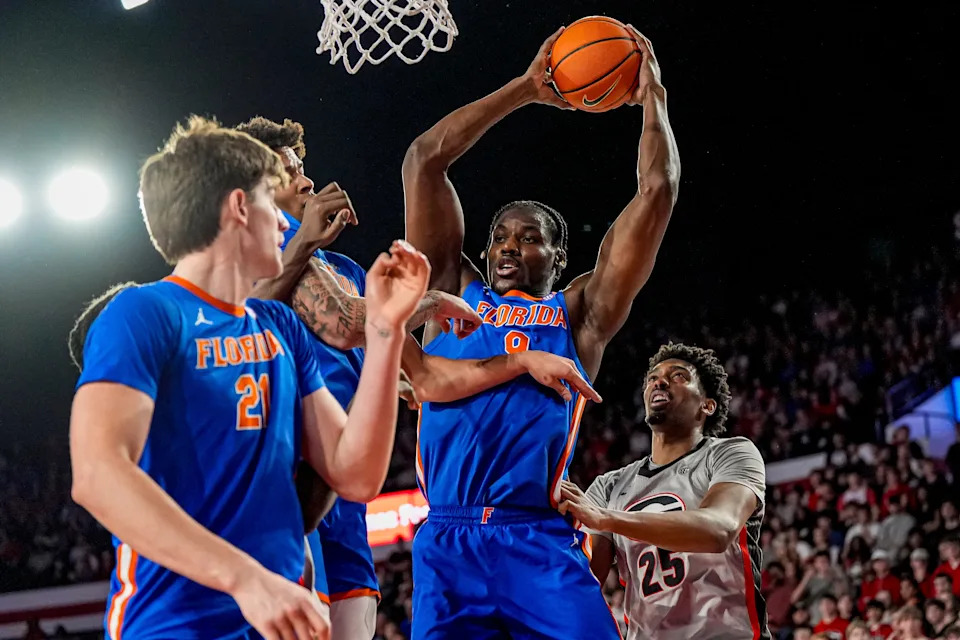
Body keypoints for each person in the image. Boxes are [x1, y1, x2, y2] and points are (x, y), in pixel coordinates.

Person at [235, 115, 600, 639]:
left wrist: (394, 380)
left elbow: (419, 374)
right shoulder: (258, 252)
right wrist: (428, 302)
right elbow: (346, 324)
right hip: (285, 474)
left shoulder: (340, 266)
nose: (309, 181)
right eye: (292, 170)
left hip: (340, 492)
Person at [69, 116, 432, 640]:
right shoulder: (144, 312)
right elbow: (97, 475)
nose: (286, 224)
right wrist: (246, 580)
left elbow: (355, 474)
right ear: (239, 207)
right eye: (270, 201)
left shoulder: (279, 324)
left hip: (276, 617)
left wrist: (384, 331)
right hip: (174, 624)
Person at [402, 25, 679, 638]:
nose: (508, 246)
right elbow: (425, 158)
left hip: (537, 538)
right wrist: (526, 90)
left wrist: (653, 95)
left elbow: (657, 192)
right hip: (446, 539)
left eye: (529, 238)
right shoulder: (449, 289)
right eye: (501, 236)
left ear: (557, 259)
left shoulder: (579, 312)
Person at [559, 343, 770, 639]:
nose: (659, 381)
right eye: (652, 378)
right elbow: (584, 579)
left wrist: (608, 519)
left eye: (679, 376)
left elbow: (718, 529)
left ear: (707, 405)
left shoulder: (731, 453)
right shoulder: (609, 486)